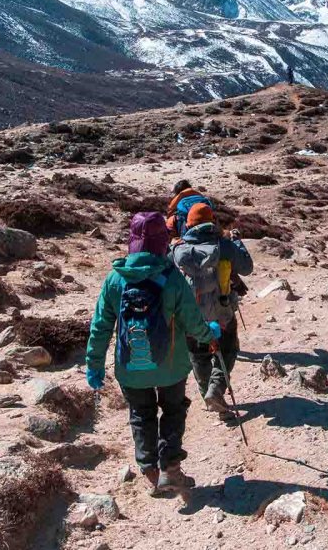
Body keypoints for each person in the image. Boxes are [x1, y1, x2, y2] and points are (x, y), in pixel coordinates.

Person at [85, 211, 222, 495]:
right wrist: (209, 335)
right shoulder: (171, 278)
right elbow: (191, 320)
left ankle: (150, 470)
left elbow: (100, 327)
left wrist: (94, 364)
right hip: (171, 366)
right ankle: (170, 469)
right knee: (173, 410)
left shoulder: (115, 279)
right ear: (163, 242)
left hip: (130, 367)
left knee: (141, 414)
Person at [171, 202, 253, 417]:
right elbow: (247, 267)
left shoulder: (178, 249)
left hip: (190, 314)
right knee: (228, 349)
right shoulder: (224, 245)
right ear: (212, 221)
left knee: (198, 355)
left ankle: (209, 393)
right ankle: (216, 389)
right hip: (222, 310)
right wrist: (237, 241)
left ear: (188, 224)